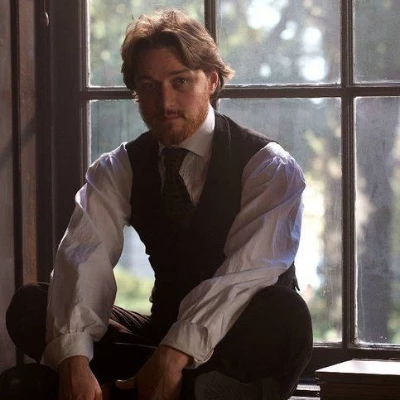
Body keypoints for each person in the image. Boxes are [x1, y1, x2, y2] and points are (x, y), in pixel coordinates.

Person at [4, 8, 312, 400]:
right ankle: (181, 389)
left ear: (212, 80)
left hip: (241, 339)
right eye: (148, 86)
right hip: (160, 332)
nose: (164, 102)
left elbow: (245, 274)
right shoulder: (119, 168)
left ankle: (136, 384)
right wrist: (75, 362)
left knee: (287, 315)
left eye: (180, 81)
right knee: (32, 304)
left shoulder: (268, 166)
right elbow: (83, 258)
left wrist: (175, 352)